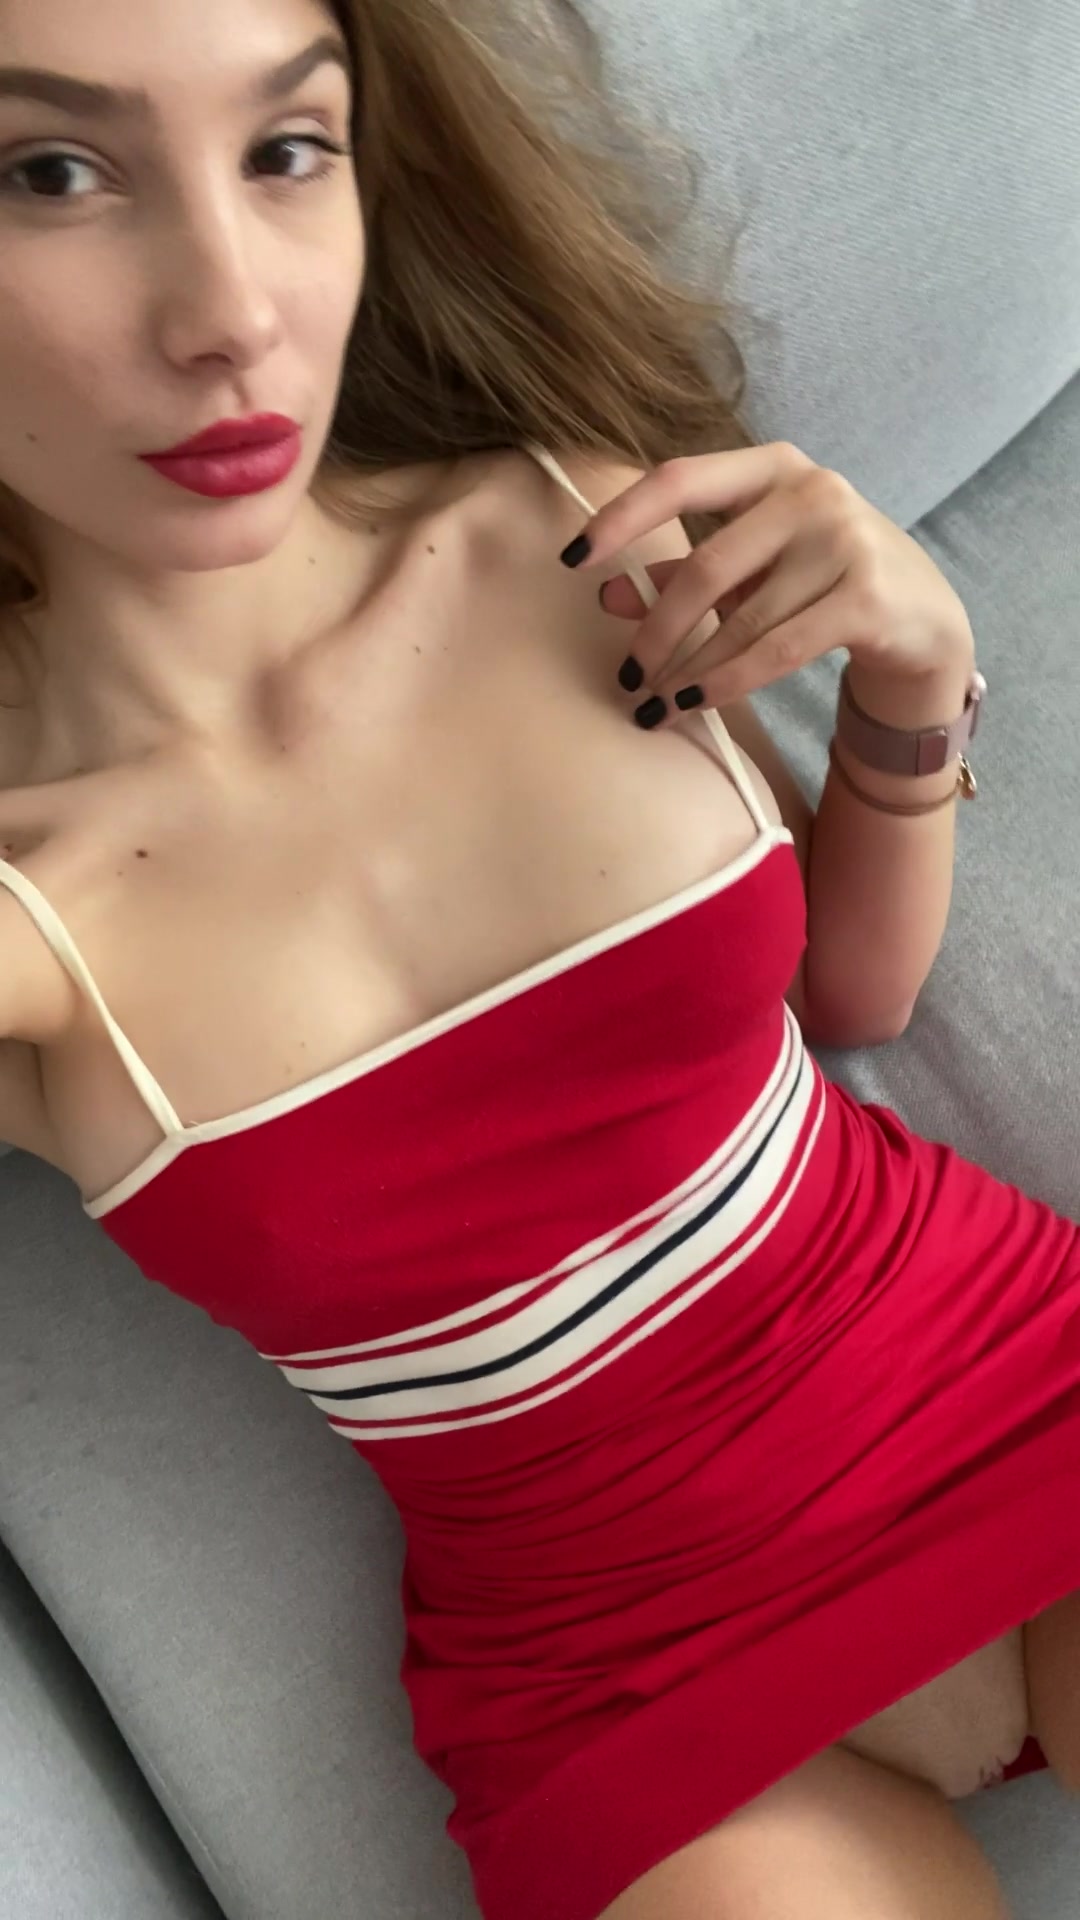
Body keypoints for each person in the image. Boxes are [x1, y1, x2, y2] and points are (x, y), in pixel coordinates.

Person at [0, 0, 1077, 1915]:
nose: (232, 309)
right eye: (54, 172)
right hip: (621, 1682)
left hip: (1012, 1394)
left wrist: (915, 673)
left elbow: (852, 1002)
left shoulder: (578, 525)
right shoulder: (28, 899)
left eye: (287, 148)